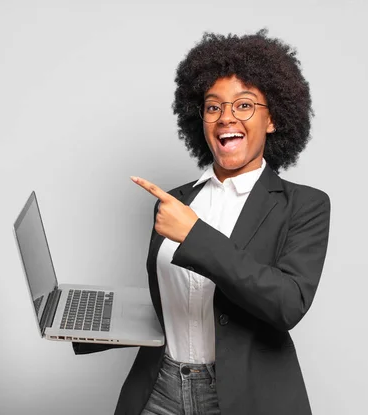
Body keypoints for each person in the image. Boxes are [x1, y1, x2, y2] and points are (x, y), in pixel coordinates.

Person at [73, 29, 331, 415]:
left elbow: (286, 304)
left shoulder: (304, 205)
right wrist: (82, 321)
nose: (226, 117)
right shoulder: (174, 201)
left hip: (243, 399)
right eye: (213, 107)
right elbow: (174, 306)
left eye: (243, 105)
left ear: (273, 119)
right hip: (159, 390)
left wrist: (194, 234)